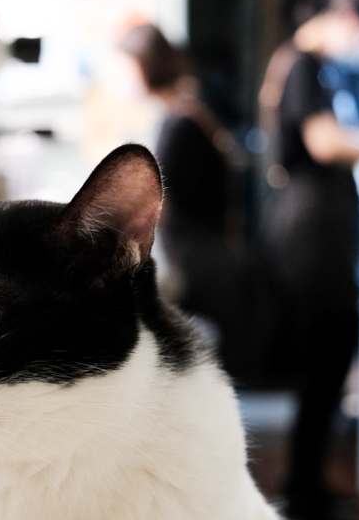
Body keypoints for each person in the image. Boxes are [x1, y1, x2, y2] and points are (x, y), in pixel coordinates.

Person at [118, 24, 281, 386]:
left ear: (145, 66)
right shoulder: (188, 113)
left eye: (125, 68)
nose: (121, 80)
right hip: (209, 255)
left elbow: (161, 205)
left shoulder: (179, 122)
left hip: (199, 262)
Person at [264, 0, 359, 520]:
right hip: (311, 234)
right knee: (326, 357)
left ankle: (311, 488)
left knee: (330, 359)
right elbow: (323, 141)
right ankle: (302, 495)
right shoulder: (303, 64)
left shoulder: (309, 67)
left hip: (317, 232)